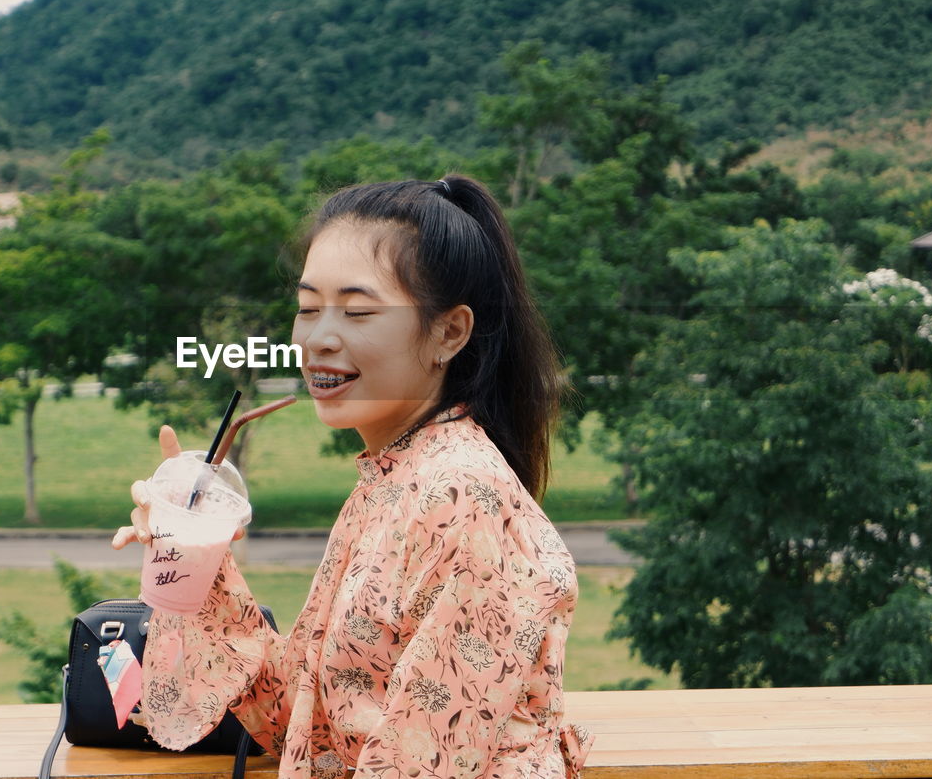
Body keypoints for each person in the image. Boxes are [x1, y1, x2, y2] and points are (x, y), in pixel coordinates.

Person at [113, 176, 593, 778]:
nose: (318, 338)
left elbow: (417, 764)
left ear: (450, 332)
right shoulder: (395, 477)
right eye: (308, 308)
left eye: (359, 311)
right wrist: (195, 557)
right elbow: (300, 722)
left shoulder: (461, 496)